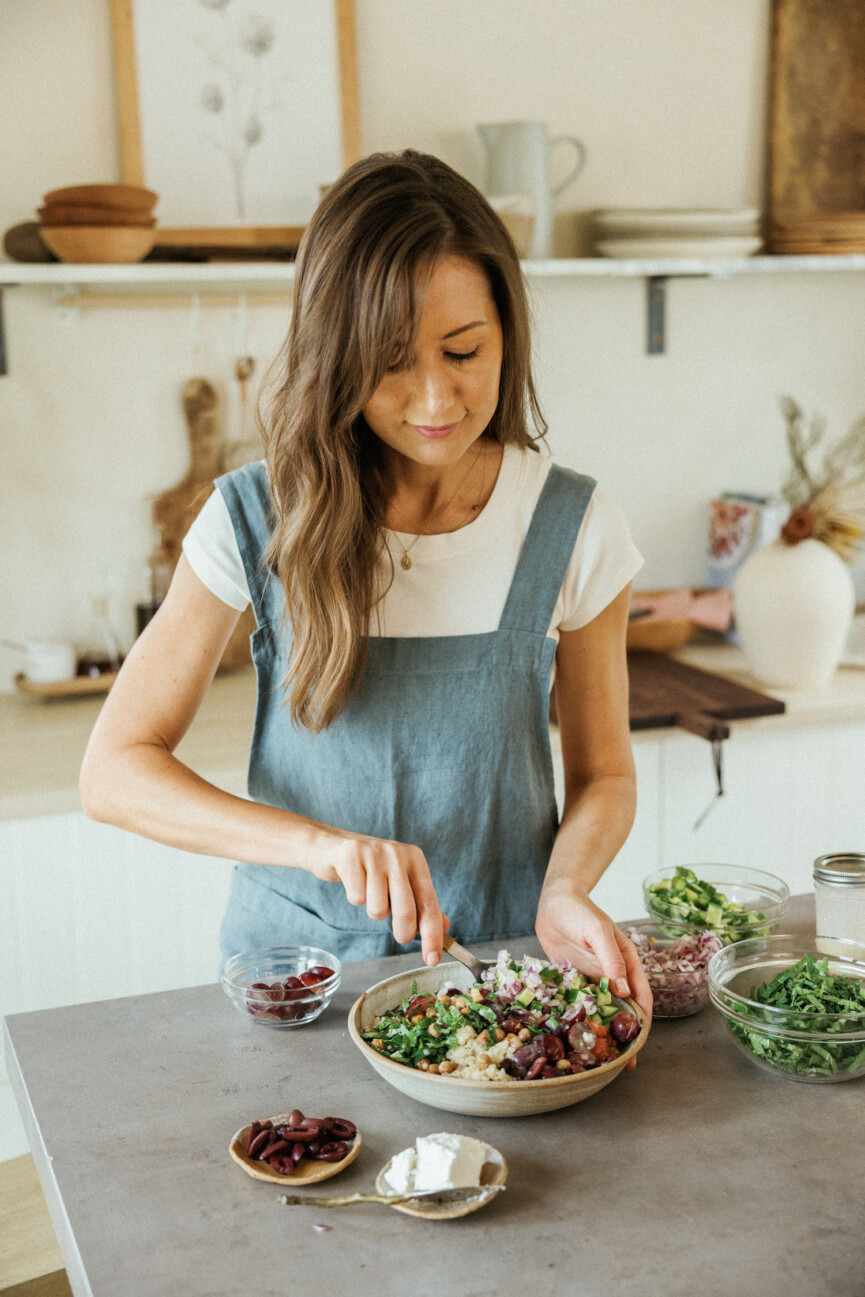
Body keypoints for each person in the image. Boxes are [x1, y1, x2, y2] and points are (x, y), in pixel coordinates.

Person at [79, 149, 651, 1019]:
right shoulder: (255, 515)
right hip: (300, 984)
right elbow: (113, 772)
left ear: (506, 328)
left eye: (464, 349)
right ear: (334, 356)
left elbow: (605, 771)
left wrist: (566, 885)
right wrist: (320, 846)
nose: (435, 397)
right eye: (389, 362)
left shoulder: (572, 525)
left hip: (495, 981)